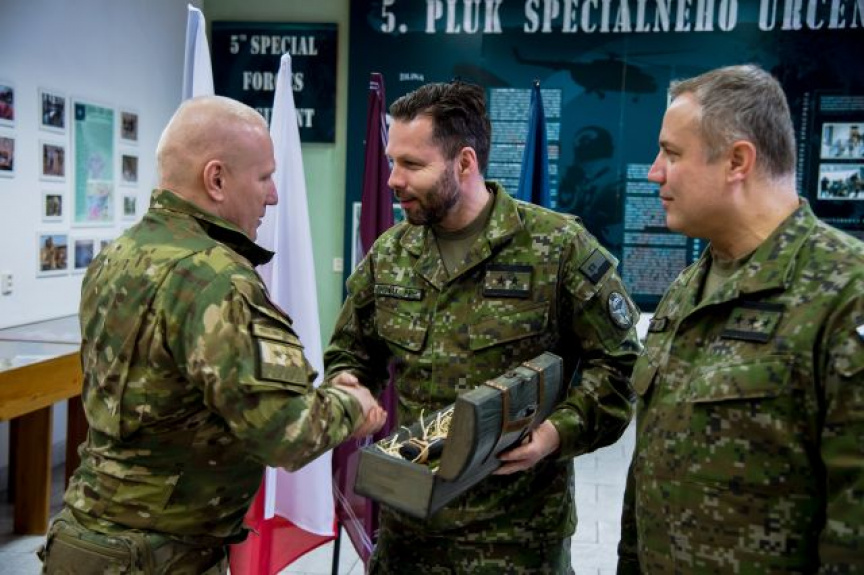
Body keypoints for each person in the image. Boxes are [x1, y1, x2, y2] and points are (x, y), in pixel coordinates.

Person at [39, 96, 386, 574]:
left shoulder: (118, 254)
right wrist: (353, 404)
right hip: (157, 557)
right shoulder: (216, 280)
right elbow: (285, 433)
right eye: (264, 177)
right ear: (216, 179)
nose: (274, 196)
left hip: (86, 538)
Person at [324, 81, 641, 574]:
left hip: (515, 540)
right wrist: (348, 384)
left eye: (411, 164)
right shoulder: (390, 254)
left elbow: (619, 366)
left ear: (464, 163)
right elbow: (351, 351)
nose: (393, 180)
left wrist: (555, 433)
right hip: (410, 532)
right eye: (391, 162)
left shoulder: (558, 248)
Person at [617, 65, 864, 573]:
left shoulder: (846, 294)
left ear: (737, 161)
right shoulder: (689, 287)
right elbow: (650, 472)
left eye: (672, 153)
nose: (654, 172)